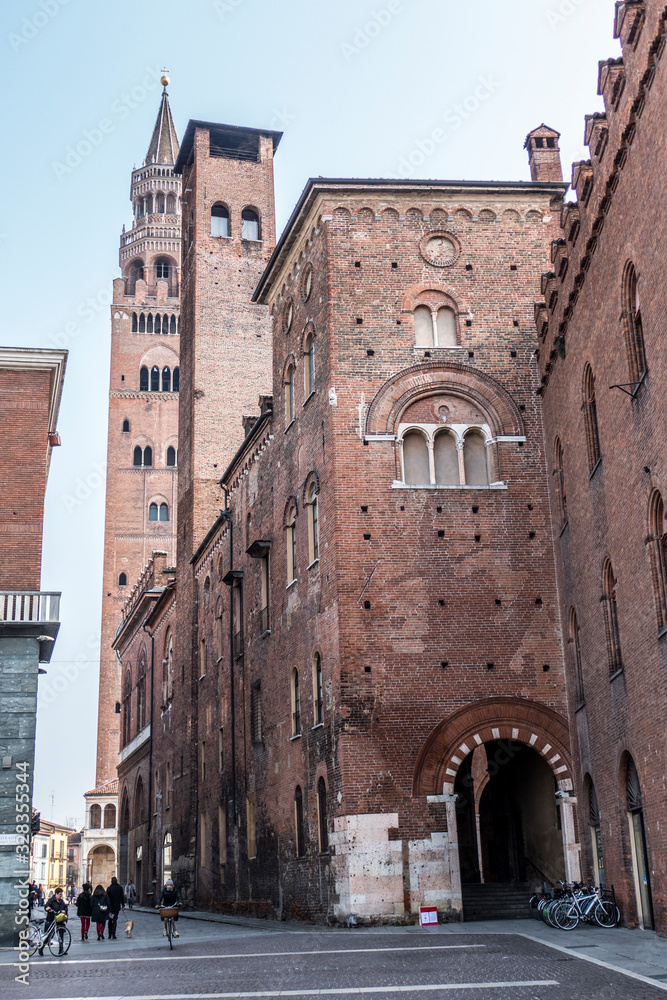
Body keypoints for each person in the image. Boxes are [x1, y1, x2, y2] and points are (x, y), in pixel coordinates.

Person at [39, 887, 68, 955]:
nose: (61, 896)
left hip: (59, 920)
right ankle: (41, 947)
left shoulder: (61, 901)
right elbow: (47, 905)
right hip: (52, 919)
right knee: (50, 936)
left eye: (61, 894)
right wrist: (48, 908)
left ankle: (61, 950)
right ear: (56, 894)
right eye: (59, 894)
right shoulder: (51, 900)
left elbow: (65, 908)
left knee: (61, 934)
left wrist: (64, 911)